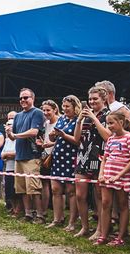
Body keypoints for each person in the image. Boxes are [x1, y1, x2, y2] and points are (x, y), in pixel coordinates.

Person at [70, 87, 111, 238]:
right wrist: (80, 120)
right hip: (82, 156)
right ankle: (85, 227)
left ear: (104, 99)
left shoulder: (109, 115)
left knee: (98, 196)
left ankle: (100, 229)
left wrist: (94, 118)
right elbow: (76, 138)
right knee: (80, 194)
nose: (92, 102)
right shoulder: (85, 115)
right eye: (90, 99)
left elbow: (108, 137)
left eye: (95, 99)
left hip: (99, 157)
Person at [95, 112, 130, 247]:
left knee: (122, 205)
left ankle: (121, 236)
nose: (109, 126)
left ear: (121, 122)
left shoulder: (129, 138)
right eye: (108, 123)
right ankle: (103, 235)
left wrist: (119, 175)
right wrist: (101, 174)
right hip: (108, 175)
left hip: (122, 177)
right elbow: (104, 158)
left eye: (112, 123)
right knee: (106, 204)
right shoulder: (111, 139)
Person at [6, 88, 45, 223]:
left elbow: (34, 132)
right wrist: (9, 133)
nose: (23, 100)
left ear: (32, 98)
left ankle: (40, 215)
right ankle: (28, 214)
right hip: (19, 156)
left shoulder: (37, 112)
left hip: (32, 156)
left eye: (26, 97)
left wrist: (15, 135)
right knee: (21, 188)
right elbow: (13, 137)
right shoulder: (17, 116)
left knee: (33, 189)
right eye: (21, 98)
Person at [48, 95, 81, 230]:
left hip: (71, 158)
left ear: (75, 107)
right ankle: (57, 219)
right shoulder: (61, 118)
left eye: (68, 106)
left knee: (71, 191)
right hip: (58, 157)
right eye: (64, 106)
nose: (65, 109)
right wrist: (52, 135)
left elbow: (78, 141)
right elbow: (54, 138)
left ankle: (72, 222)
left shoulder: (79, 120)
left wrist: (64, 135)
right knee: (56, 189)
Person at [36, 100, 59, 223]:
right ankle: (44, 212)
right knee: (44, 184)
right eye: (44, 110)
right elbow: (45, 141)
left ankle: (58, 215)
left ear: (55, 109)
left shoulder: (60, 121)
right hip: (46, 156)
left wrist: (52, 143)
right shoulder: (45, 124)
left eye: (48, 110)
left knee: (58, 187)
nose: (45, 112)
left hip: (58, 157)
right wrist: (42, 144)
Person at [1, 112, 17, 212]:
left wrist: (8, 155)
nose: (7, 127)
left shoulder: (18, 138)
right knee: (9, 188)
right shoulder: (7, 140)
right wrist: (7, 155)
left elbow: (17, 153)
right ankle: (10, 207)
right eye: (7, 125)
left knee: (16, 190)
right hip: (8, 167)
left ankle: (17, 209)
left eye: (10, 125)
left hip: (16, 167)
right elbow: (2, 154)